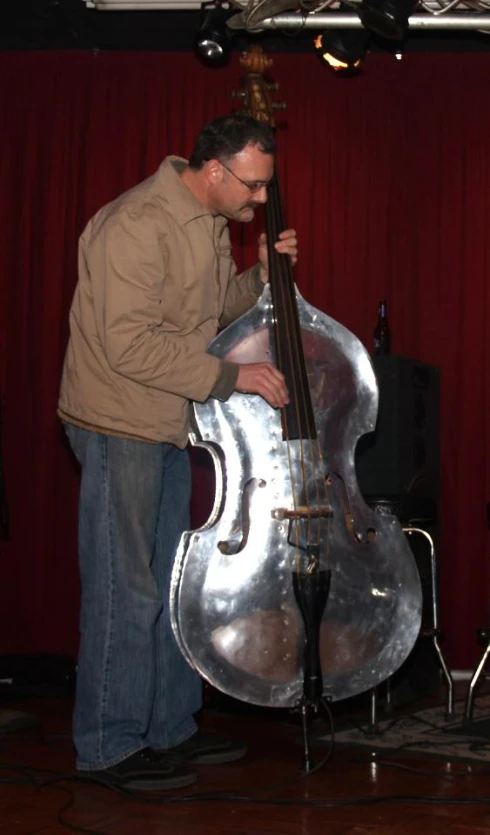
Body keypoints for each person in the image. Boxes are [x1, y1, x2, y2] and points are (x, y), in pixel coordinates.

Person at [58, 114, 298, 792]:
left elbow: (215, 311)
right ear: (215, 169)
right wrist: (232, 377)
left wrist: (259, 278)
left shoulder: (209, 224)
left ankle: (168, 727)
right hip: (118, 422)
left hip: (166, 422)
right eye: (253, 186)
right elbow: (130, 345)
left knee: (166, 585)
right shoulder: (135, 224)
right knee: (124, 586)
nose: (260, 200)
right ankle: (107, 742)